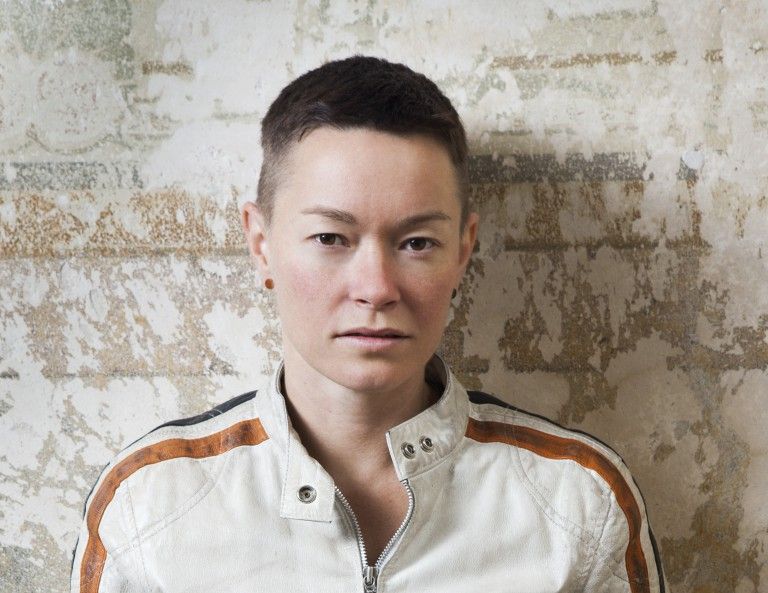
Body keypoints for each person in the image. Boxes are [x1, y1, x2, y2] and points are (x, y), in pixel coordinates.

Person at [71, 55, 665, 593]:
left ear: (463, 249)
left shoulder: (578, 505)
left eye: (417, 242)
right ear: (261, 244)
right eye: (331, 238)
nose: (377, 288)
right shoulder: (148, 508)